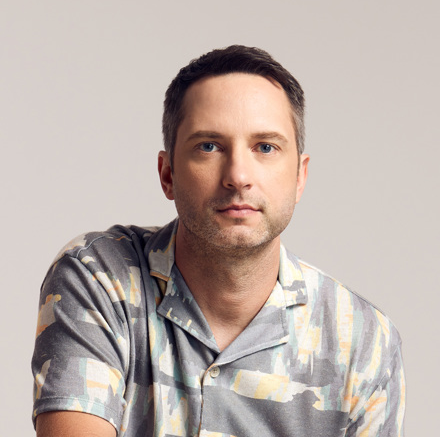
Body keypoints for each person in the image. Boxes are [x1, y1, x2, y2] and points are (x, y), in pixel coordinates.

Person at [32, 45, 405, 437]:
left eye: (265, 147)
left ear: (300, 177)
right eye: (208, 146)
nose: (238, 176)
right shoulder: (100, 279)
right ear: (168, 174)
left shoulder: (364, 341)